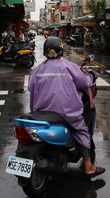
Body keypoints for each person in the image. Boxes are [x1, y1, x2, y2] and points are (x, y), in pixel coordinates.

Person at [28, 37, 105, 178]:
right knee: (81, 130)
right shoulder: (68, 66)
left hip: (40, 114)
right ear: (61, 51)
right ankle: (88, 167)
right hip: (66, 113)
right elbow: (84, 82)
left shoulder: (37, 70)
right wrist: (92, 75)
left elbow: (30, 87)